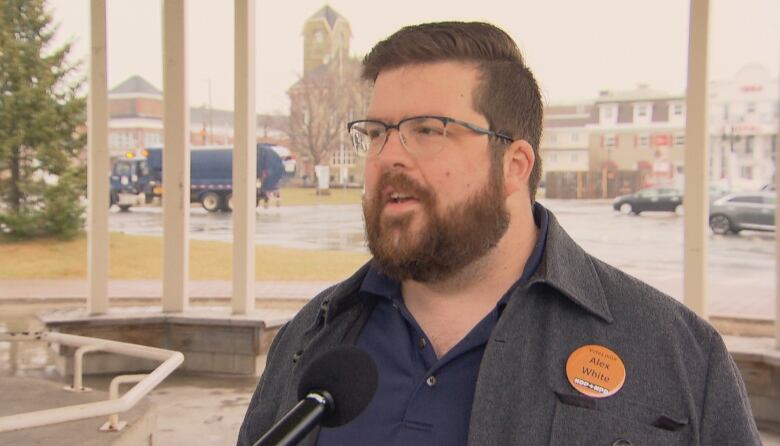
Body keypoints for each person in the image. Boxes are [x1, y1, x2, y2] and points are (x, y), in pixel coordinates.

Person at [238, 22, 760, 445]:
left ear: (514, 165)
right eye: (376, 133)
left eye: (427, 129)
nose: (387, 156)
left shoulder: (678, 355)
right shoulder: (311, 337)